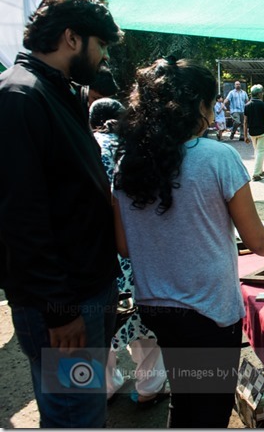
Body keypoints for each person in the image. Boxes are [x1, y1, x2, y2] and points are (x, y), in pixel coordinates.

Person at [112, 57, 264, 427]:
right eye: (211, 103)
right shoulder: (218, 157)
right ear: (198, 105)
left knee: (188, 398)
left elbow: (123, 245)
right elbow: (257, 241)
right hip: (208, 311)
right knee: (209, 410)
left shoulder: (129, 161)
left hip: (156, 305)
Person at [0, 0, 123, 427]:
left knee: (84, 410)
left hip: (88, 290)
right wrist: (60, 310)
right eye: (101, 45)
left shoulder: (56, 90)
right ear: (72, 38)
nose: (104, 57)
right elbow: (21, 219)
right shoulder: (20, 97)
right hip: (65, 305)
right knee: (75, 418)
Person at [88, 98, 169, 408]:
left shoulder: (85, 146)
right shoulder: (136, 151)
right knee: (143, 321)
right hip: (135, 251)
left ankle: (106, 387)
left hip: (94, 255)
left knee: (101, 326)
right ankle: (149, 386)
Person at [244, 84, 264, 181]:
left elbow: (245, 122)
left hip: (252, 133)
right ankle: (256, 173)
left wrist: (245, 136)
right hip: (262, 131)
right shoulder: (263, 105)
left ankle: (260, 170)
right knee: (261, 151)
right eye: (262, 92)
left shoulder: (247, 105)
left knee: (257, 151)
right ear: (259, 94)